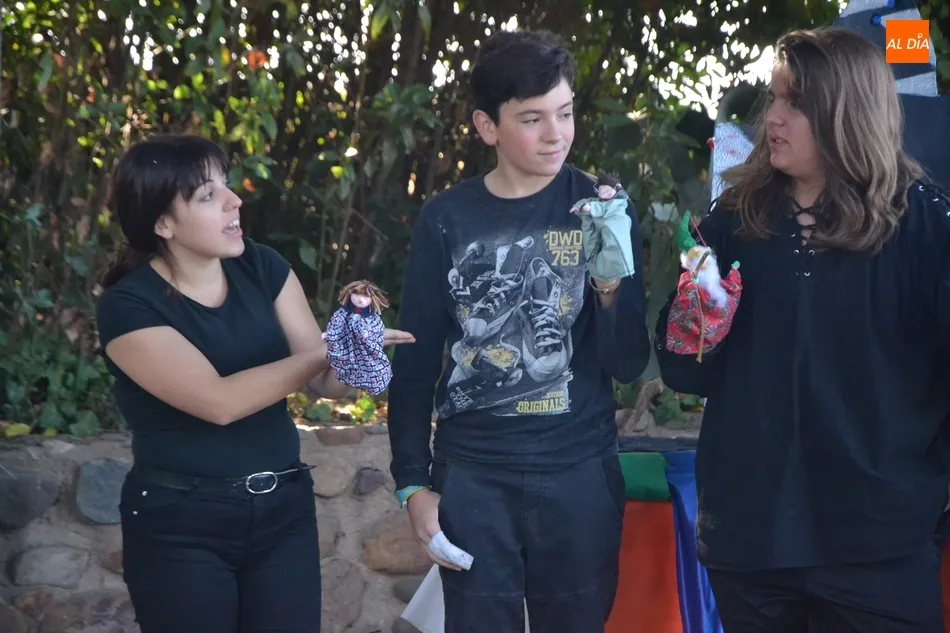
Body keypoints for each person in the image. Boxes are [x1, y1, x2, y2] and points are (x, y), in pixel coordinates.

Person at [654, 26, 950, 633]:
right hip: (752, 541)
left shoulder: (925, 223)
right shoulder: (733, 218)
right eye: (774, 98)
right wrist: (695, 322)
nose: (773, 118)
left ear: (847, 113)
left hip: (882, 547)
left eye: (796, 103)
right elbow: (684, 369)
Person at [386, 29, 651, 633]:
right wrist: (412, 484)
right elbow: (416, 361)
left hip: (580, 473)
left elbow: (628, 363)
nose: (556, 134)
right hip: (474, 476)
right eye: (533, 119)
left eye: (565, 113)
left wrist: (610, 286)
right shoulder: (447, 218)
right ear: (488, 127)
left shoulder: (601, 207)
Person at [94, 133, 414, 633]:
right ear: (163, 224)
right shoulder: (128, 306)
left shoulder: (263, 266)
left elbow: (325, 384)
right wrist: (327, 350)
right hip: (182, 524)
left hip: (283, 511)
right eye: (208, 195)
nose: (234, 201)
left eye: (226, 184)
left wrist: (357, 344)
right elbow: (218, 402)